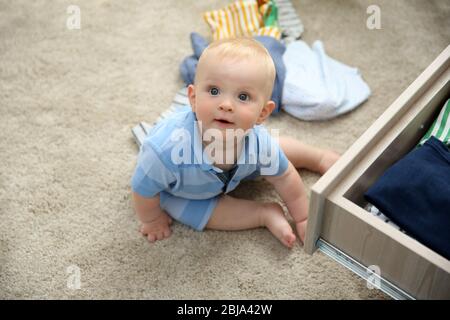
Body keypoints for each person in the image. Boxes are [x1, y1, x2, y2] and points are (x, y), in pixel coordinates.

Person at [131, 38, 339, 248]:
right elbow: (142, 188)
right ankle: (263, 214)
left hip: (240, 168)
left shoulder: (257, 141)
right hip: (185, 189)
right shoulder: (165, 151)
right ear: (193, 98)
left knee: (275, 150)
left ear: (262, 113)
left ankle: (318, 157)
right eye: (214, 91)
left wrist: (303, 218)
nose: (226, 105)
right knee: (184, 209)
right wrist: (152, 219)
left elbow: (285, 177)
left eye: (242, 96)